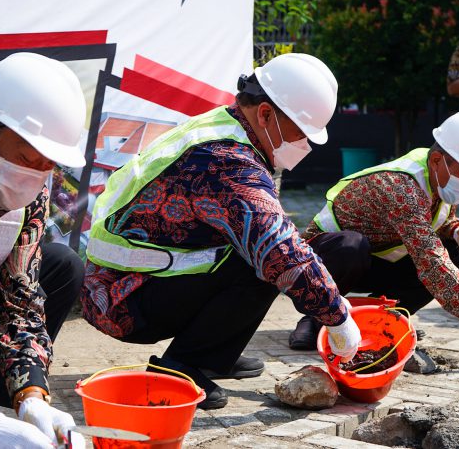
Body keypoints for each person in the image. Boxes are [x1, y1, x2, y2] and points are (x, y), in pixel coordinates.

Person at [82, 53, 364, 410]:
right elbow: (280, 250)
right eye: (301, 134)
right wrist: (338, 317)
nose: (304, 146)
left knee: (250, 250)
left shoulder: (225, 127)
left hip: (126, 281)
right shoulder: (227, 159)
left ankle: (213, 353)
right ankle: (180, 367)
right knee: (264, 258)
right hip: (123, 297)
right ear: (265, 114)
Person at [288, 111, 459, 376]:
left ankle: (385, 321)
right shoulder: (402, 187)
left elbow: (439, 221)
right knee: (354, 246)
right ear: (436, 160)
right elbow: (432, 265)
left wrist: (458, 228)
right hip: (322, 262)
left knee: (456, 253)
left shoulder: (439, 177)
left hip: (378, 259)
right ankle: (317, 316)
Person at [0, 53, 87, 448]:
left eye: (48, 166)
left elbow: (18, 302)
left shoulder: (29, 192)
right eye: (27, 159)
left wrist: (32, 398)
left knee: (61, 266)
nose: (34, 178)